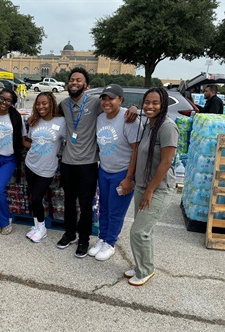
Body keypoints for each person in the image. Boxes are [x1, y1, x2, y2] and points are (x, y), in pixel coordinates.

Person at [56, 67, 138, 258]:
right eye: (71, 80)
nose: (74, 83)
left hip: (87, 163)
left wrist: (134, 109)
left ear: (86, 85)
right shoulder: (63, 105)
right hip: (68, 161)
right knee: (69, 201)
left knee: (85, 203)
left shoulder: (96, 103)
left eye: (79, 80)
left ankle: (84, 239)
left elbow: (117, 108)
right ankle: (70, 234)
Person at [125, 87, 178, 286]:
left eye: (155, 103)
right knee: (144, 231)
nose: (150, 106)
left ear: (163, 105)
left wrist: (149, 190)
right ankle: (141, 265)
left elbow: (166, 162)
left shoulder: (167, 127)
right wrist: (131, 107)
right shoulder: (149, 123)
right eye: (147, 102)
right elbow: (131, 109)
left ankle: (146, 270)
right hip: (142, 186)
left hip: (158, 189)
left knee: (139, 231)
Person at [88, 84, 142, 261]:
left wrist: (129, 178)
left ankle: (110, 243)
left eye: (111, 98)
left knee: (115, 211)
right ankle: (102, 238)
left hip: (122, 172)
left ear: (121, 100)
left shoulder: (129, 119)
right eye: (103, 98)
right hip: (104, 170)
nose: (106, 102)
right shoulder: (100, 118)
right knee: (103, 208)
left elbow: (137, 150)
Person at [24, 92, 66, 242]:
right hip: (30, 164)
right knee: (32, 197)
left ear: (51, 104)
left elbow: (69, 143)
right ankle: (36, 226)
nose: (41, 106)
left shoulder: (61, 122)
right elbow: (31, 142)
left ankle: (42, 229)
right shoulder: (34, 121)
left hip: (47, 168)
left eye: (44, 103)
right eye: (38, 103)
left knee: (37, 198)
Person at [0, 88, 24, 235]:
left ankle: (5, 219)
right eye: (2, 98)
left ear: (12, 103)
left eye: (8, 100)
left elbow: (23, 138)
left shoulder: (16, 118)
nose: (4, 102)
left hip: (9, 159)